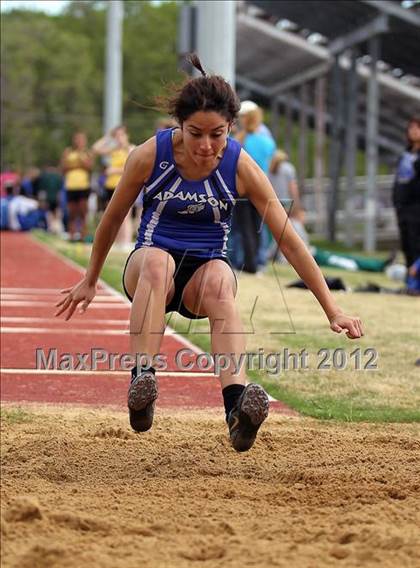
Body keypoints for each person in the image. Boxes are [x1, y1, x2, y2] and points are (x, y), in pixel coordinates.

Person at [55, 54, 363, 453]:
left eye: (216, 134)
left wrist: (332, 308)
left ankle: (237, 409)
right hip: (151, 266)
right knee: (157, 261)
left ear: (231, 128)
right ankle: (142, 382)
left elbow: (288, 239)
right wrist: (91, 279)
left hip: (203, 276)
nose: (205, 146)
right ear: (178, 125)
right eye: (194, 133)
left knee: (221, 278)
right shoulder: (150, 155)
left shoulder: (240, 165)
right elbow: (112, 220)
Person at [232, 102, 276, 273]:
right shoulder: (268, 142)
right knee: (259, 228)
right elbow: (270, 165)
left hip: (243, 188)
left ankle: (246, 263)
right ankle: (259, 262)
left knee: (243, 228)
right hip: (262, 187)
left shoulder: (239, 141)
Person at [92, 125, 136, 249]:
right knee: (111, 215)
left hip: (124, 185)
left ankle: (125, 242)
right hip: (110, 186)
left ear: (126, 135)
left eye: (121, 135)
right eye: (116, 136)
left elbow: (133, 168)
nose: (119, 138)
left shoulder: (131, 149)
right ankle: (116, 242)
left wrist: (115, 170)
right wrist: (108, 137)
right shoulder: (114, 150)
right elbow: (95, 149)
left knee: (125, 215)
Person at [269, 149, 309, 261]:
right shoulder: (288, 168)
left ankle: (273, 255)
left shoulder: (271, 169)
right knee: (289, 232)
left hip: (274, 202)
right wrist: (297, 205)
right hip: (287, 202)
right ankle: (284, 258)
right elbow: (293, 188)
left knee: (279, 231)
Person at [392, 116, 420, 273]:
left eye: (417, 128)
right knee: (407, 243)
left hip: (417, 207)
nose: (414, 132)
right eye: (411, 128)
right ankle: (411, 281)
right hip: (403, 207)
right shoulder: (405, 154)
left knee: (417, 243)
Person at [60, 131, 93, 242]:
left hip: (83, 186)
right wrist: (77, 164)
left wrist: (78, 163)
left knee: (83, 213)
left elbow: (89, 167)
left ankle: (83, 236)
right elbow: (64, 168)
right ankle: (72, 235)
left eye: (82, 140)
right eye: (77, 139)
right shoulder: (68, 152)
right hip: (71, 186)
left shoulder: (87, 153)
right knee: (72, 213)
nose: (79, 142)